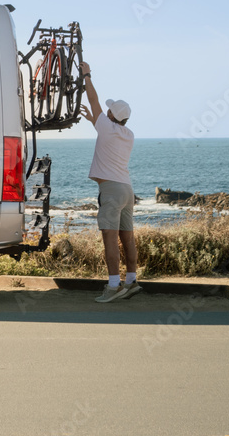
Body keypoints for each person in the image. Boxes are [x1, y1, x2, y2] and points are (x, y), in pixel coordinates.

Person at [79, 61, 139, 303]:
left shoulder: (106, 126)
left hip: (111, 191)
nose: (107, 111)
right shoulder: (128, 134)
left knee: (110, 238)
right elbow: (103, 124)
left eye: (109, 110)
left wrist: (87, 75)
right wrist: (94, 120)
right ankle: (131, 281)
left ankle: (113, 286)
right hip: (127, 189)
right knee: (127, 236)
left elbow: (93, 99)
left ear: (112, 115)